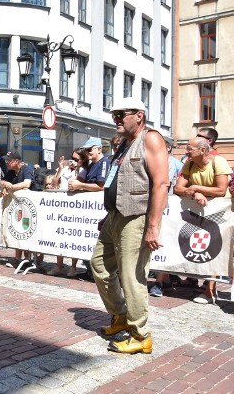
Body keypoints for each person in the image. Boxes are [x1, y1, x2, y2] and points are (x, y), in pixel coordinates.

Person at [90, 97, 168, 355]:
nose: (116, 119)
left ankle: (140, 335)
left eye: (121, 114)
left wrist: (153, 226)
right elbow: (116, 181)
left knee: (132, 277)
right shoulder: (123, 143)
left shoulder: (151, 139)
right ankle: (120, 315)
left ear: (139, 116)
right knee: (99, 265)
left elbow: (161, 184)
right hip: (114, 216)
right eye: (114, 115)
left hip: (136, 218)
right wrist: (109, 213)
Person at [174, 136, 232, 304]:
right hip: (201, 210)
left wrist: (196, 187)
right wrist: (195, 193)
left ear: (203, 150)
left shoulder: (218, 162)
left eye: (189, 149)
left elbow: (221, 190)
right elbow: (178, 187)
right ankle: (199, 282)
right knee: (203, 246)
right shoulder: (189, 163)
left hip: (220, 212)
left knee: (215, 248)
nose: (186, 152)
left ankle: (210, 291)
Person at [149, 138, 185, 298]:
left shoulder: (171, 163)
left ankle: (159, 283)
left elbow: (166, 186)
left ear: (167, 148)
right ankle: (166, 281)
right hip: (154, 207)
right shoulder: (153, 160)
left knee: (162, 245)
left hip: (166, 208)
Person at [50, 150, 86, 277]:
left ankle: (73, 267)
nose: (72, 161)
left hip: (75, 206)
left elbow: (76, 185)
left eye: (76, 159)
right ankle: (59, 265)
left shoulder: (82, 170)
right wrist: (59, 169)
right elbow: (54, 183)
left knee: (73, 236)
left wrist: (76, 169)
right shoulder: (65, 169)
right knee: (59, 235)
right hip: (62, 205)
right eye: (72, 158)